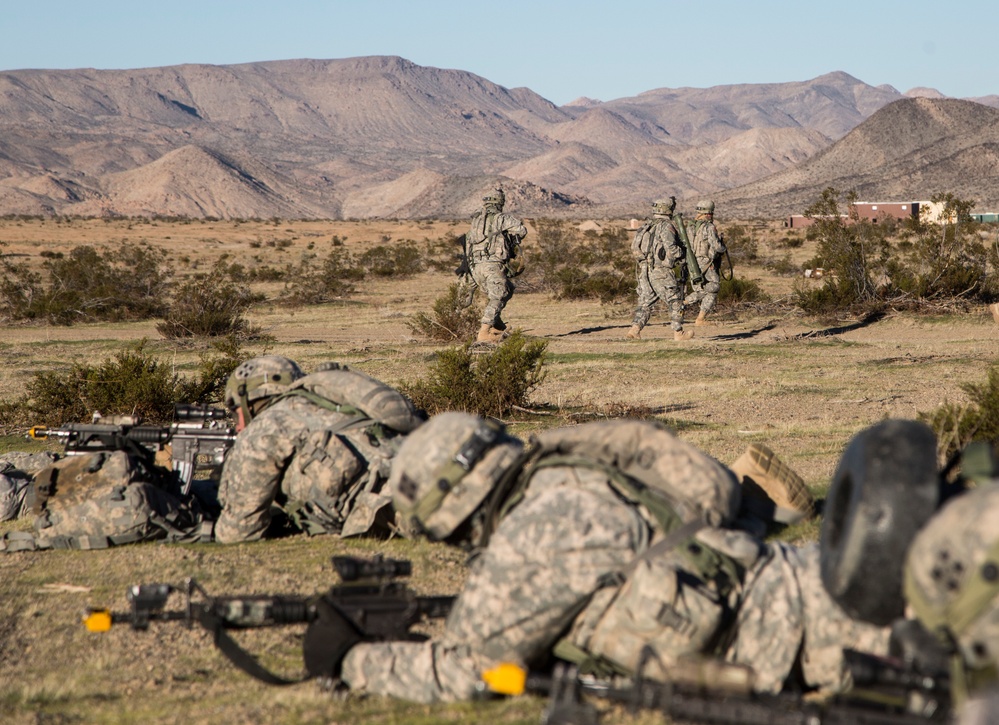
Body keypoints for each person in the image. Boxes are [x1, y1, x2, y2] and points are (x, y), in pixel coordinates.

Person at [322, 414, 885, 703]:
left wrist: (351, 660)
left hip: (824, 641)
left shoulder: (537, 532)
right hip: (811, 579)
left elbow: (469, 674)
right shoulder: (571, 474)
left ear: (455, 510)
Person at [214, 355, 424, 543]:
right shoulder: (330, 403)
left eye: (235, 412)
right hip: (420, 475)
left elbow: (238, 532)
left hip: (388, 507)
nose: (238, 426)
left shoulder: (267, 426)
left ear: (249, 402)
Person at [464, 188, 528, 344]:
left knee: (507, 290)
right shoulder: (502, 218)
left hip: (475, 267)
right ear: (500, 202)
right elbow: (521, 230)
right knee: (499, 294)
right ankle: (484, 332)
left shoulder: (476, 220)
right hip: (492, 265)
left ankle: (497, 326)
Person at [627, 197, 693, 341]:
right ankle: (678, 333)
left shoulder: (647, 226)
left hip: (645, 270)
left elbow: (634, 248)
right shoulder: (666, 226)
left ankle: (635, 330)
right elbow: (671, 248)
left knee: (646, 302)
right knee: (675, 300)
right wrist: (682, 253)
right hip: (661, 271)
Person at [682, 200, 727, 326]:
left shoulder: (690, 226)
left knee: (701, 291)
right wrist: (723, 248)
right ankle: (700, 319)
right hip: (706, 263)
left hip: (691, 262)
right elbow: (717, 247)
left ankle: (682, 303)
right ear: (709, 213)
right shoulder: (709, 227)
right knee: (713, 287)